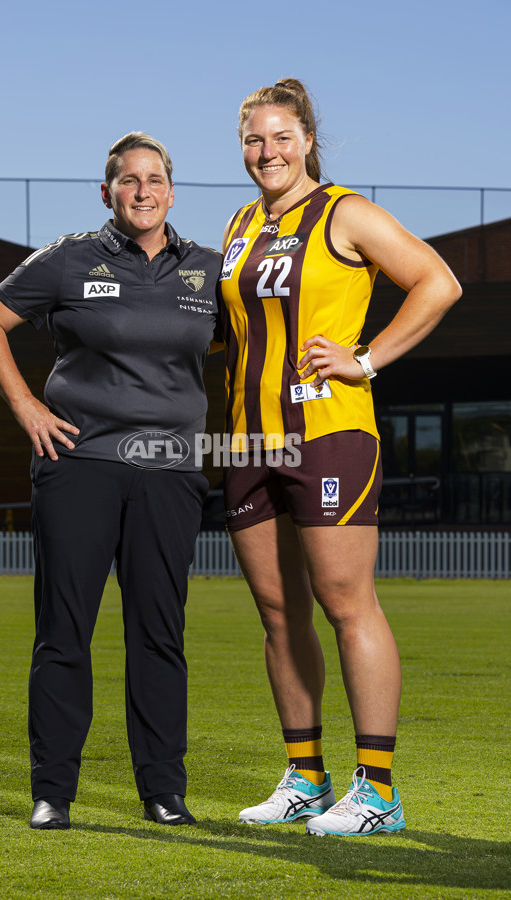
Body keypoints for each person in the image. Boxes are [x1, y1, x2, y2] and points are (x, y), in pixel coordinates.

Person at [219, 79, 461, 836]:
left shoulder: (344, 212)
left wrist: (367, 359)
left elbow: (438, 281)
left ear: (308, 140)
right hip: (248, 440)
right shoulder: (240, 224)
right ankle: (305, 778)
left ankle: (379, 790)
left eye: (282, 136)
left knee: (345, 601)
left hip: (329, 434)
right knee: (279, 612)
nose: (268, 151)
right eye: (255, 139)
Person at [0, 132, 222, 829]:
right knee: (63, 633)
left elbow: (262, 340)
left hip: (169, 477)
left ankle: (164, 791)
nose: (143, 191)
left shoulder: (207, 270)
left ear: (173, 191)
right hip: (80, 469)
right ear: (106, 191)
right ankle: (54, 792)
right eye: (129, 180)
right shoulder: (69, 258)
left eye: (156, 179)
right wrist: (26, 407)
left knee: (159, 636)